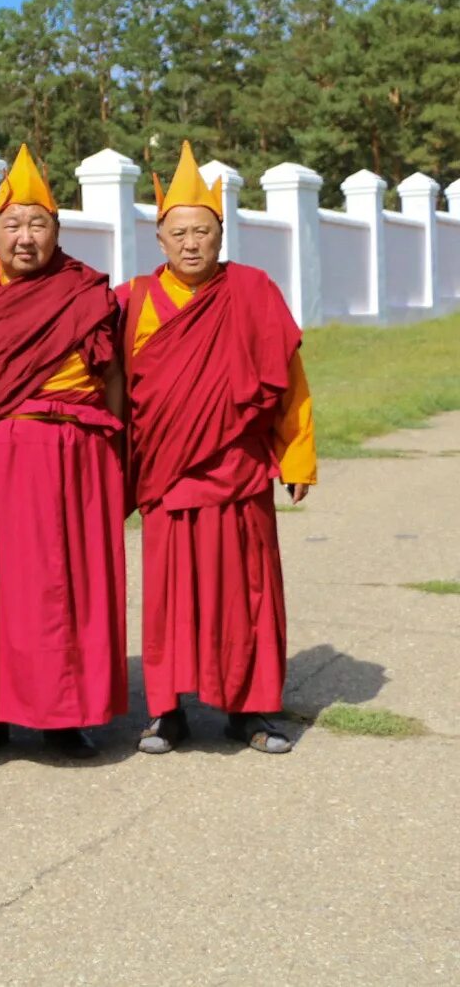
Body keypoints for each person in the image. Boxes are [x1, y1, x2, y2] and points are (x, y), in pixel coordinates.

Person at [120, 143, 317, 755]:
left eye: (202, 231)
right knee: (170, 598)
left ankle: (250, 711)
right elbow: (118, 397)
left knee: (246, 595)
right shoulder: (132, 303)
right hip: (170, 477)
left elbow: (289, 379)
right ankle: (168, 712)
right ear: (159, 238)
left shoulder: (252, 290)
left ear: (220, 233)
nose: (190, 244)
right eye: (178, 233)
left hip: (239, 473)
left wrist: (298, 453)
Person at [0, 146, 128, 761]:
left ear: (57, 231)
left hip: (72, 456)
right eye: (13, 224)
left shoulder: (84, 288)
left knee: (62, 589)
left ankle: (65, 715)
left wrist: (115, 449)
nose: (25, 237)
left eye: (37, 224)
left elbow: (114, 377)